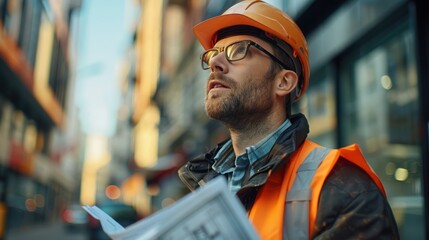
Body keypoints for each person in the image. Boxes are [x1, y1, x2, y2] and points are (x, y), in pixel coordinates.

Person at [178, 0, 400, 239]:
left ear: (283, 82)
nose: (214, 63)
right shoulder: (206, 183)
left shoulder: (343, 188)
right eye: (213, 54)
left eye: (238, 50)